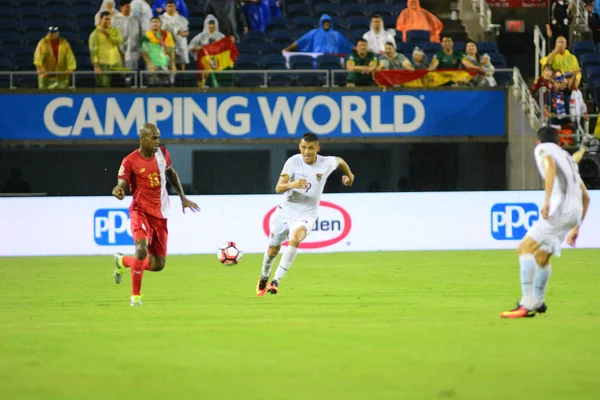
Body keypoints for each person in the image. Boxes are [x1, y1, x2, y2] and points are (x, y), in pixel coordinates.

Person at [500, 126, 590, 318]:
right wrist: (576, 227)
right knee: (542, 256)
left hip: (559, 209)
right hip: (574, 212)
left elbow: (549, 167)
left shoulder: (542, 149)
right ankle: (538, 302)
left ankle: (526, 303)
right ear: (559, 141)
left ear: (538, 141)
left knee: (524, 248)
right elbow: (586, 196)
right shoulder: (567, 157)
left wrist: (547, 201)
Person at [112, 123, 200, 306]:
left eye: (158, 137)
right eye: (154, 138)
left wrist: (182, 197)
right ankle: (135, 297)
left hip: (160, 214)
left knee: (157, 265)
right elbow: (122, 183)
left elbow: (171, 174)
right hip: (140, 211)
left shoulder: (163, 154)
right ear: (143, 139)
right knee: (141, 248)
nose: (157, 141)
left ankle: (123, 261)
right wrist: (119, 190)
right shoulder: (129, 161)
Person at [256, 133, 355, 296]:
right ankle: (264, 277)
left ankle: (276, 281)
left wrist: (350, 177)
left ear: (317, 148)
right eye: (303, 147)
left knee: (296, 238)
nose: (306, 152)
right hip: (285, 211)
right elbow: (278, 188)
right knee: (273, 250)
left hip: (307, 214)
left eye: (310, 148)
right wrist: (294, 184)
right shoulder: (293, 162)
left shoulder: (326, 163)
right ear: (299, 147)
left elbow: (340, 161)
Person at [284, 14, 354, 54]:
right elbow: (301, 41)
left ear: (331, 23)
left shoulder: (337, 34)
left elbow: (347, 45)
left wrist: (359, 49)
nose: (326, 23)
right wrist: (287, 49)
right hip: (318, 59)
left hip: (334, 59)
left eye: (328, 22)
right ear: (321, 23)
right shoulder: (314, 33)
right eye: (324, 22)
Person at [89, 11, 123, 88]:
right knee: (104, 87)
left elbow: (119, 41)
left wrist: (109, 35)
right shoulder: (94, 34)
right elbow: (93, 51)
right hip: (102, 64)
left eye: (109, 19)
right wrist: (96, 66)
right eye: (105, 19)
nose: (108, 21)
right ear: (100, 20)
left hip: (116, 63)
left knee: (119, 87)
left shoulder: (115, 30)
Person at [141, 17, 177, 86]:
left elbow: (171, 50)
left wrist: (173, 64)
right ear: (150, 24)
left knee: (167, 86)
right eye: (153, 22)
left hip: (165, 64)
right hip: (152, 65)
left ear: (160, 24)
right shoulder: (146, 35)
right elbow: (144, 52)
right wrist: (149, 64)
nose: (155, 24)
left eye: (157, 22)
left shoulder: (167, 34)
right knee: (152, 86)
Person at [160, 0, 190, 70]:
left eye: (172, 6)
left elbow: (187, 32)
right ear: (165, 7)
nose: (170, 8)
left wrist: (182, 34)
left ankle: (183, 78)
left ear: (175, 7)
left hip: (180, 43)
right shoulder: (160, 19)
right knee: (167, 64)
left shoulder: (182, 18)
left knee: (181, 63)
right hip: (166, 44)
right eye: (168, 6)